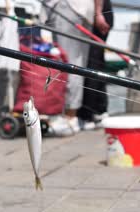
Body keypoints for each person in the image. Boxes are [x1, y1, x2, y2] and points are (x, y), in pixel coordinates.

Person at [42, 0, 110, 136]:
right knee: (77, 64)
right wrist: (97, 13)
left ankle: (69, 117)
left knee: (68, 64)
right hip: (84, 11)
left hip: (67, 7)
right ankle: (70, 115)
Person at [78, 0, 113, 130]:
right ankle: (100, 110)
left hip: (98, 13)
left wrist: (98, 13)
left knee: (91, 64)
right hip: (102, 11)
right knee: (97, 62)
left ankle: (87, 114)